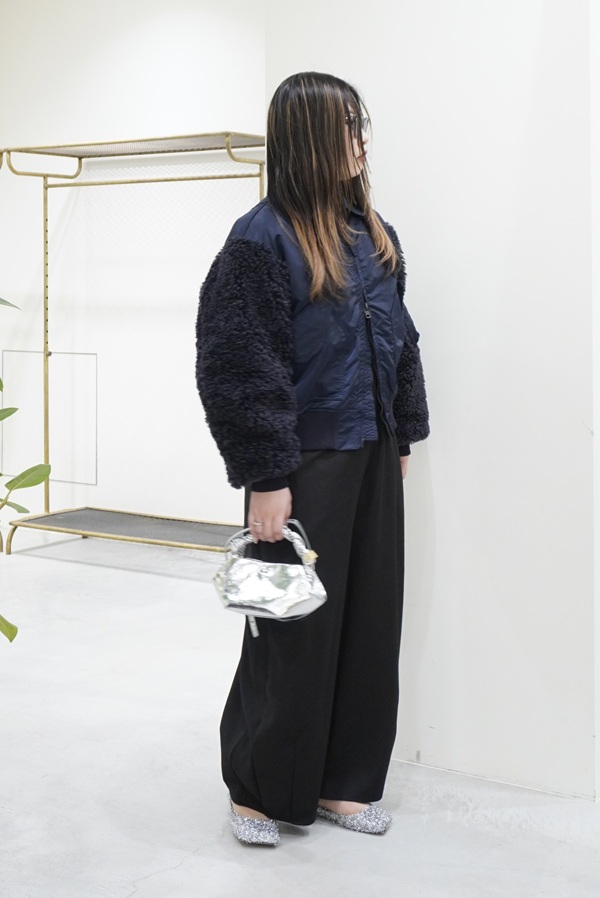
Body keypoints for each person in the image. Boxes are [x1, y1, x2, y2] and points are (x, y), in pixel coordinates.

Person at [195, 71, 429, 846]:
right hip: (302, 464)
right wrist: (266, 476)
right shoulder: (259, 239)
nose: (361, 142)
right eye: (347, 128)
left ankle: (343, 784)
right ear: (309, 139)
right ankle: (258, 793)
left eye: (363, 127)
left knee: (369, 623)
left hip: (371, 452)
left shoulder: (373, 234)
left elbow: (401, 341)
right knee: (290, 630)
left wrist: (401, 432)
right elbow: (236, 364)